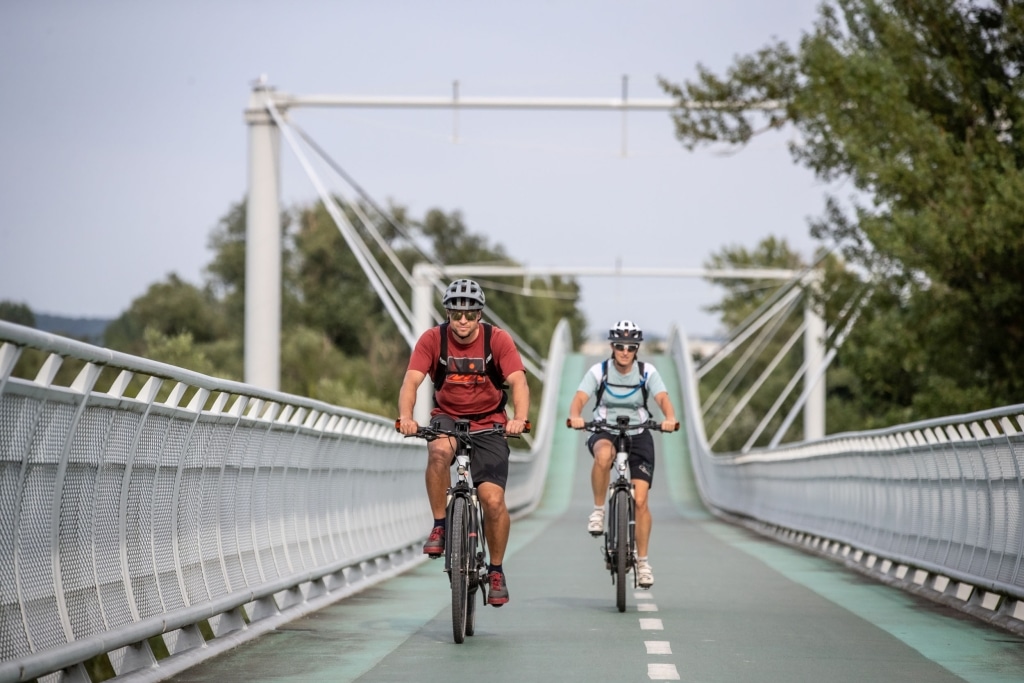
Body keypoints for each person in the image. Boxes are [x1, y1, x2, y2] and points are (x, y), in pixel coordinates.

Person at [397, 278, 530, 606]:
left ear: (480, 315)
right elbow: (411, 382)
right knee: (439, 452)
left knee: (492, 500)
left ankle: (496, 570)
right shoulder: (433, 339)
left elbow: (518, 382)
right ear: (447, 313)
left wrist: (520, 419)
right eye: (456, 314)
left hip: (490, 423)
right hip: (448, 416)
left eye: (470, 315)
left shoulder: (497, 340)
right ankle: (440, 525)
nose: (463, 321)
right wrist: (406, 416)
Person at [567, 319, 679, 589]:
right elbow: (580, 397)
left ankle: (642, 563)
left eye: (630, 346)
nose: (625, 351)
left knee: (641, 501)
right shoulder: (600, 371)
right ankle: (598, 511)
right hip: (605, 428)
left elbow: (662, 398)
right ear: (612, 347)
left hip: (639, 432)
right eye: (619, 345)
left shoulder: (646, 372)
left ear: (637, 348)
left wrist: (670, 417)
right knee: (603, 456)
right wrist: (575, 416)